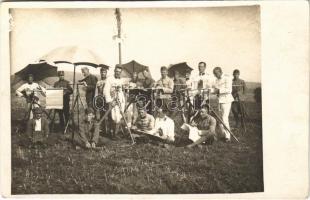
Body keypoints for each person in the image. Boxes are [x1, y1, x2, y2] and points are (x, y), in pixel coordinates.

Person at [103, 65, 126, 139]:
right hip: (113, 100)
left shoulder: (121, 80)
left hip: (120, 100)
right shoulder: (109, 79)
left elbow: (121, 90)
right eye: (117, 71)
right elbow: (105, 91)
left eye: (119, 72)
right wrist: (110, 101)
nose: (118, 73)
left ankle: (116, 133)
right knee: (113, 116)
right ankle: (112, 133)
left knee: (119, 116)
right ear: (114, 71)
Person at [212, 67, 234, 142]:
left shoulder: (227, 78)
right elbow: (214, 89)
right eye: (214, 74)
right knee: (220, 118)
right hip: (219, 100)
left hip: (226, 100)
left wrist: (218, 90)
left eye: (216, 73)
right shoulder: (216, 79)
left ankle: (228, 136)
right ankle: (223, 135)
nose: (215, 75)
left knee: (224, 118)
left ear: (220, 72)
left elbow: (229, 90)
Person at [95, 65, 109, 135]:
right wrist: (97, 99)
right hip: (100, 100)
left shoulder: (108, 81)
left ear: (106, 73)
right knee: (101, 115)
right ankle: (103, 131)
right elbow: (97, 92)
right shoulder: (98, 82)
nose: (103, 74)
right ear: (100, 73)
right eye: (102, 72)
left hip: (107, 99)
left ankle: (109, 130)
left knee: (108, 115)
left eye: (104, 72)